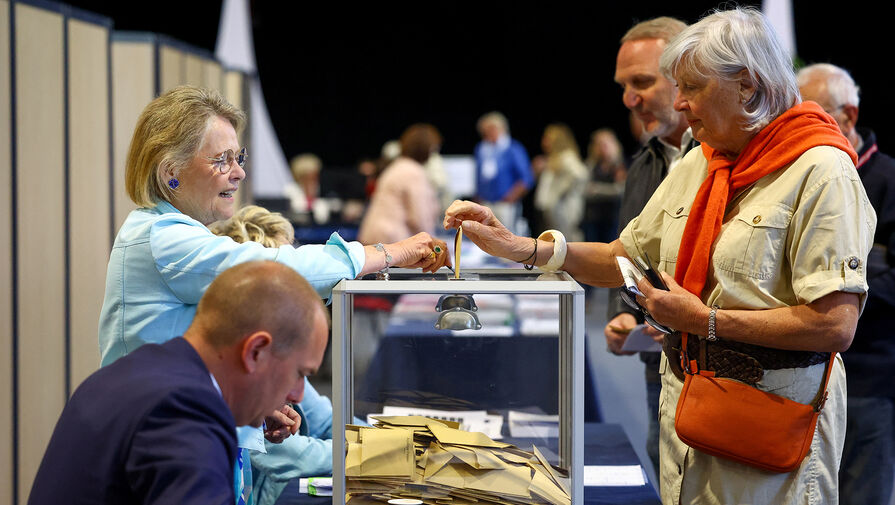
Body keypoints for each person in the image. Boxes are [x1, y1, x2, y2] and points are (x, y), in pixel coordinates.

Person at [445, 8, 875, 503]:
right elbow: (622, 256)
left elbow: (834, 326)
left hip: (769, 433)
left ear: (749, 88)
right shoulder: (701, 161)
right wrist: (522, 248)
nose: (680, 103)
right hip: (688, 414)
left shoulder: (823, 171)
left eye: (693, 87)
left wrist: (706, 321)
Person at [98, 85, 448, 505]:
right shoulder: (160, 238)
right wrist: (384, 254)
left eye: (239, 158)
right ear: (170, 170)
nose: (239, 172)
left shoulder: (171, 235)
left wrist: (251, 410)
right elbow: (272, 273)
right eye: (222, 159)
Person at [30, 261, 328, 505]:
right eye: (299, 374)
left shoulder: (144, 370)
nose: (297, 394)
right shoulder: (183, 412)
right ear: (255, 352)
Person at [798, 62, 895, 505]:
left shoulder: (889, 179)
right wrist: (863, 267)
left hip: (869, 379)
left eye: (813, 114)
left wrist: (840, 285)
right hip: (802, 378)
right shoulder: (798, 178)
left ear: (849, 116)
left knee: (863, 493)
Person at [603, 16, 692, 479]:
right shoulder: (645, 163)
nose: (628, 99)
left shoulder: (729, 160)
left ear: (687, 77)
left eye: (641, 82)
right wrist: (625, 317)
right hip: (657, 369)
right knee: (663, 468)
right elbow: (626, 258)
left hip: (720, 381)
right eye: (623, 85)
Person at [211, 206, 335, 505]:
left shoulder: (273, 354)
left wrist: (394, 443)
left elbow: (328, 419)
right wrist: (382, 451)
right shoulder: (232, 368)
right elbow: (293, 456)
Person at [358, 123, 442, 245]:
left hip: (374, 237)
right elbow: (420, 218)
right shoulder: (413, 172)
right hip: (390, 241)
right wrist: (435, 245)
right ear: (427, 148)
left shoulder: (397, 166)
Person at [474, 111, 534, 234]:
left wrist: (511, 197)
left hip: (505, 205)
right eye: (484, 131)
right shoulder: (481, 149)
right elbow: (478, 177)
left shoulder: (513, 148)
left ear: (501, 129)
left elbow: (526, 178)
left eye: (491, 130)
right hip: (486, 204)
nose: (487, 134)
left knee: (506, 238)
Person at [533, 123, 588, 241]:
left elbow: (580, 175)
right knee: (556, 240)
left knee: (566, 240)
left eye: (548, 138)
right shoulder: (554, 158)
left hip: (564, 209)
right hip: (553, 208)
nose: (544, 142)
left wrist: (561, 193)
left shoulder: (566, 157)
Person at [583, 128, 627, 245]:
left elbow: (620, 191)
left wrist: (597, 190)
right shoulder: (591, 165)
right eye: (599, 144)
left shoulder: (619, 166)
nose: (602, 148)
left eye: (605, 144)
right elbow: (585, 190)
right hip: (592, 217)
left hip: (612, 218)